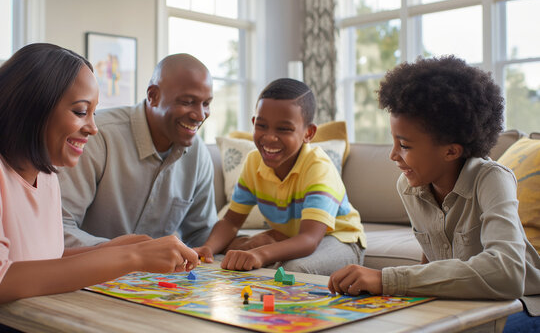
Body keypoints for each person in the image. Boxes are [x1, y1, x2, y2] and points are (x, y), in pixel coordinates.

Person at [327, 56, 540, 331]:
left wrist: (387, 280)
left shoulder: (492, 179)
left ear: (451, 151)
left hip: (522, 304)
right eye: (393, 141)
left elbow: (507, 274)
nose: (393, 155)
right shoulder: (409, 186)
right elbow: (434, 255)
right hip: (465, 303)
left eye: (404, 145)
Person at [0, 43, 198, 304]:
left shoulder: (47, 176)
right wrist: (132, 257)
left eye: (94, 113)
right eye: (81, 112)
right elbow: (5, 279)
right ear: (32, 107)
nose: (93, 128)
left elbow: (42, 260)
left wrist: (115, 248)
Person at [195, 78, 366, 274]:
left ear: (308, 133)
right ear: (253, 123)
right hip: (291, 238)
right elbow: (231, 222)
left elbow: (309, 239)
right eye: (262, 126)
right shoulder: (253, 162)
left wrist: (261, 254)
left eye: (284, 129)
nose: (269, 137)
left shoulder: (318, 167)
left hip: (340, 239)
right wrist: (208, 248)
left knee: (293, 269)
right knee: (231, 251)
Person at [59, 53, 218, 248]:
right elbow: (59, 229)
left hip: (154, 276)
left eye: (206, 103)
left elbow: (202, 236)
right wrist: (130, 255)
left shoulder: (198, 154)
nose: (200, 115)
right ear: (153, 96)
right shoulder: (94, 136)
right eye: (187, 102)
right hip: (86, 271)